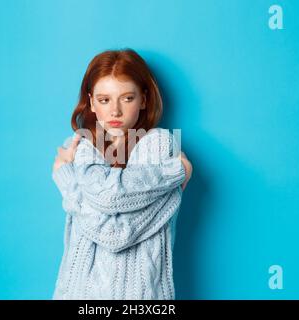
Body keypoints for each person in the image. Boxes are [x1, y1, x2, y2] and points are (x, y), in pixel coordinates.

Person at [51, 48, 193, 299]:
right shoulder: (81, 146)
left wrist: (66, 177)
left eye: (127, 98)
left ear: (144, 100)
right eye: (104, 99)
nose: (115, 111)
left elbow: (115, 232)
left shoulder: (157, 144)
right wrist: (70, 181)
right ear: (91, 101)